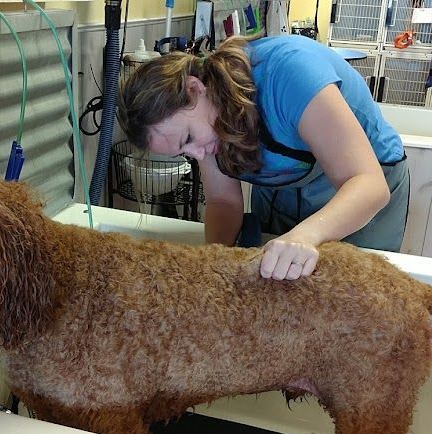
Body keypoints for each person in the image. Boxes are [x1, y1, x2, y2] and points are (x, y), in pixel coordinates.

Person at [118, 34, 409, 281]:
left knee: (349, 298)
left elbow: (369, 184)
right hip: (282, 187)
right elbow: (222, 202)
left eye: (189, 139)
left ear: (195, 89)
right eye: (183, 152)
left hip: (361, 189)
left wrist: (306, 235)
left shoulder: (289, 72)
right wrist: (212, 266)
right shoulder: (206, 122)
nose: (196, 155)